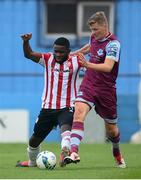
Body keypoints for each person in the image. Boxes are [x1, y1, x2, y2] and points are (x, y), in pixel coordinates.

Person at [64, 11, 126, 168]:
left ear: (105, 26)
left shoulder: (113, 44)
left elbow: (107, 67)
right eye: (91, 30)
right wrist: (73, 54)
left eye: (96, 29)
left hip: (106, 90)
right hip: (89, 84)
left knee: (112, 131)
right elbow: (90, 47)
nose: (93, 33)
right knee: (78, 111)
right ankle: (74, 151)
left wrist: (86, 64)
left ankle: (117, 153)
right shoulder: (94, 38)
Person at [16, 33, 82, 167]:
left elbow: (93, 65)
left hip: (67, 106)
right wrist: (26, 42)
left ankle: (65, 151)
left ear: (68, 52)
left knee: (66, 128)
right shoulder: (47, 59)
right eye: (55, 51)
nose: (57, 54)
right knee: (34, 141)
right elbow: (28, 54)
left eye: (61, 52)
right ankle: (32, 162)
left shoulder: (77, 61)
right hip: (48, 107)